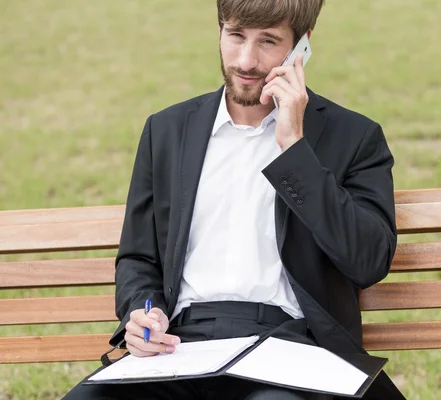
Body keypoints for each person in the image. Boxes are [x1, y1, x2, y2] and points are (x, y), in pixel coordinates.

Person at [63, 0, 405, 398]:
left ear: (302, 47)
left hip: (290, 349)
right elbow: (140, 258)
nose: (246, 60)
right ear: (220, 30)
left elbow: (367, 261)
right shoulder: (167, 131)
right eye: (236, 35)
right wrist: (142, 312)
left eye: (269, 42)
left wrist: (294, 149)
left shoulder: (353, 137)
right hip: (180, 348)